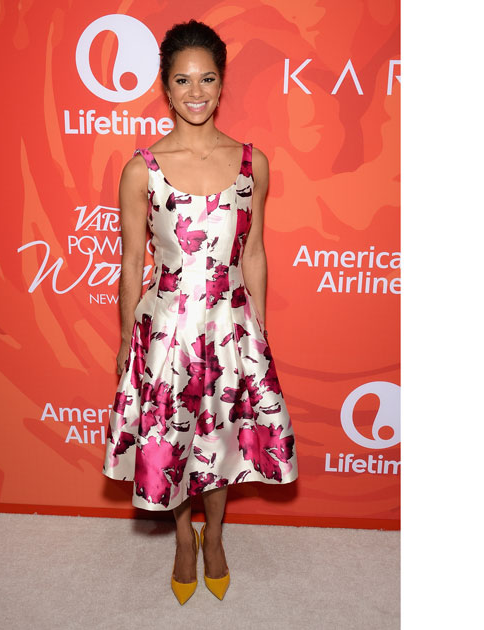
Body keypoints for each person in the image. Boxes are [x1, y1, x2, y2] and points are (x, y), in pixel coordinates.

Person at [102, 19, 298, 604]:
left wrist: (259, 329)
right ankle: (182, 539)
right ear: (165, 86)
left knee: (222, 437)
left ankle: (214, 536)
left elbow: (254, 252)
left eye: (207, 79)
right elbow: (131, 261)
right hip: (166, 331)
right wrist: (125, 340)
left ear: (221, 83)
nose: (196, 92)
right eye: (183, 80)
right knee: (173, 440)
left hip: (230, 327)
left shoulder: (252, 163)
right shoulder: (141, 169)